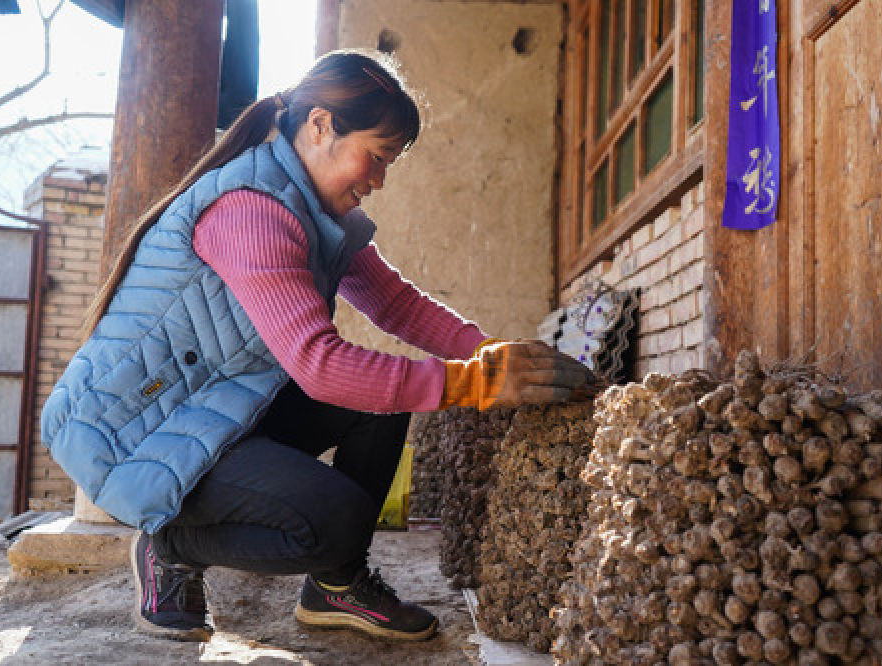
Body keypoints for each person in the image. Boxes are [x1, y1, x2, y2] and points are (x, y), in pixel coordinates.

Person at [40, 49, 596, 643]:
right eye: (376, 157)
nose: (378, 180)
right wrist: (477, 384)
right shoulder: (250, 210)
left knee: (381, 407)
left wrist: (496, 356)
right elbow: (318, 365)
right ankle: (172, 545)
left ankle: (336, 586)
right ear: (321, 125)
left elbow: (396, 305)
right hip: (136, 435)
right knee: (339, 520)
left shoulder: (315, 209)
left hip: (220, 407)